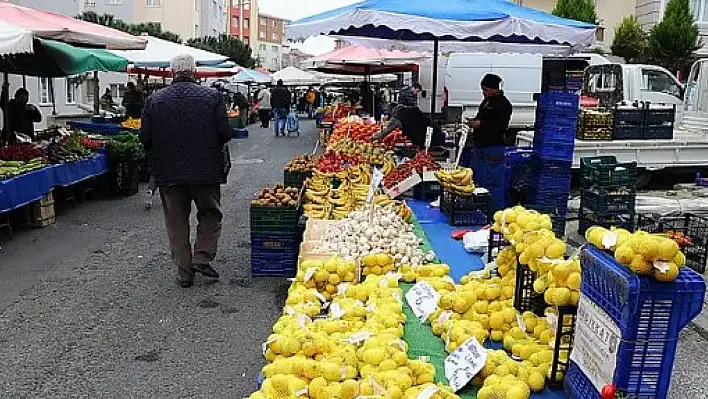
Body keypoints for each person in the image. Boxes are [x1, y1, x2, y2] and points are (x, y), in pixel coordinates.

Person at [139, 54, 232, 288]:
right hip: (206, 170)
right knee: (210, 213)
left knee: (176, 222)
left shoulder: (155, 99)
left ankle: (184, 272)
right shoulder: (212, 97)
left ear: (172, 72)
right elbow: (225, 133)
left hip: (169, 172)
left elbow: (145, 137)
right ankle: (202, 256)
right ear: (195, 72)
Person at [468, 74, 513, 148]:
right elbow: (481, 115)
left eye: (485, 89)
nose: (483, 92)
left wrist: (481, 124)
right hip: (480, 143)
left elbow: (500, 126)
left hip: (493, 145)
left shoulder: (504, 104)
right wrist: (473, 121)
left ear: (494, 89)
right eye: (482, 89)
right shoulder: (487, 101)